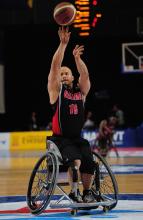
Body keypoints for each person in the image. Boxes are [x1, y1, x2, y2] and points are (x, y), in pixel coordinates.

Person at [47, 26, 96, 203]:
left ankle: (87, 192)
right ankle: (74, 193)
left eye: (66, 73)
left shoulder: (80, 92)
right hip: (60, 139)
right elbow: (54, 67)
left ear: (72, 77)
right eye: (61, 74)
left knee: (89, 161)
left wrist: (77, 58)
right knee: (75, 161)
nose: (63, 75)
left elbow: (85, 74)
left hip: (77, 138)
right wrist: (63, 44)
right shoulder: (56, 92)